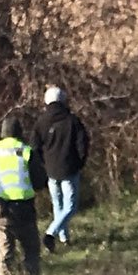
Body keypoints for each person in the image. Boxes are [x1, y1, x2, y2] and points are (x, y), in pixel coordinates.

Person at [0, 115, 47, 275]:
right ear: (20, 133)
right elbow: (39, 181)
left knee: (5, 253)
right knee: (31, 250)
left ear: (2, 134)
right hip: (23, 210)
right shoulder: (26, 152)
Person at [32, 86, 89, 248]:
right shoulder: (72, 120)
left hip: (51, 171)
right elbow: (82, 144)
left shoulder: (41, 122)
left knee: (58, 206)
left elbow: (34, 147)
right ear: (63, 100)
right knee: (70, 207)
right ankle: (51, 233)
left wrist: (43, 165)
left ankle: (64, 238)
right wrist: (79, 163)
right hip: (69, 169)